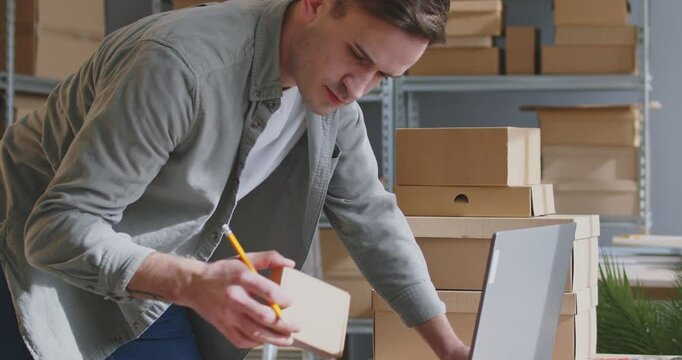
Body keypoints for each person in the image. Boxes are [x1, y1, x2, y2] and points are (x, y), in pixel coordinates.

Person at [0, 0, 470, 358]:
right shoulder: (179, 66)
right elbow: (58, 229)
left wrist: (449, 347)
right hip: (26, 262)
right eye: (357, 55)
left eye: (382, 77)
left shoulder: (332, 96)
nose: (358, 89)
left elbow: (370, 214)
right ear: (313, 4)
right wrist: (191, 281)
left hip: (148, 271)